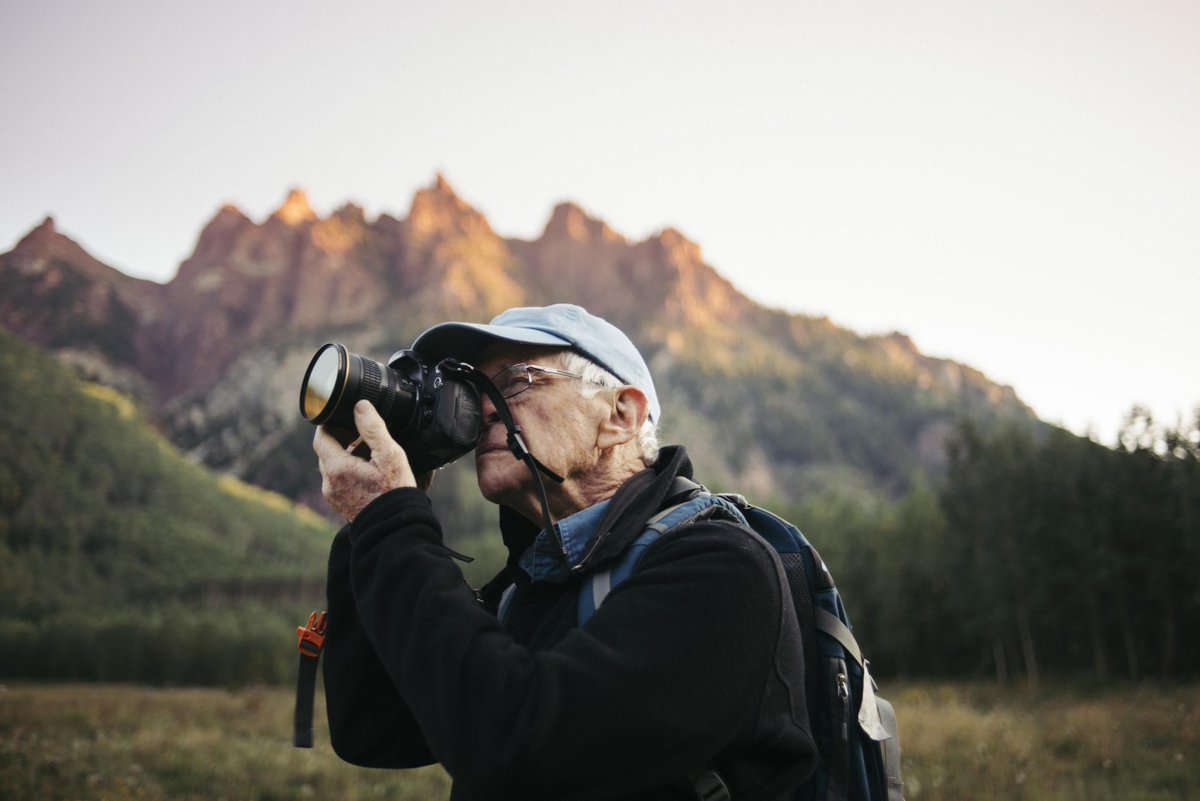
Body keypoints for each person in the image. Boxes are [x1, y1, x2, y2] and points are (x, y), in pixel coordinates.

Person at [313, 303, 816, 801]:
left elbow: (518, 745)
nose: (484, 407)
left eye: (514, 383)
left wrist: (391, 521)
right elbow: (375, 727)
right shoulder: (530, 585)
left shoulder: (721, 569)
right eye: (474, 390)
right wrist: (369, 523)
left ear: (621, 415)